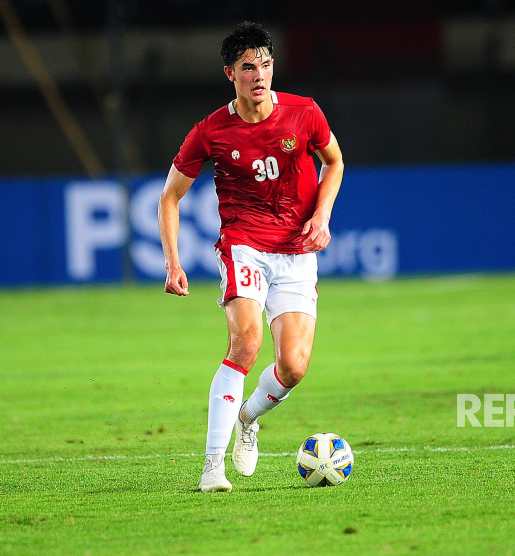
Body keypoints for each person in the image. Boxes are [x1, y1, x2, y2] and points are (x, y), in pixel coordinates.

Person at [158, 22, 344, 492]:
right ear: (230, 74)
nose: (259, 74)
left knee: (294, 367)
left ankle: (247, 417)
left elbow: (334, 162)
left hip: (296, 252)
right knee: (245, 343)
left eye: (265, 64)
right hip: (243, 244)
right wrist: (173, 262)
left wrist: (321, 217)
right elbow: (169, 197)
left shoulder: (305, 113)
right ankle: (212, 466)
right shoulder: (211, 131)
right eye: (248, 67)